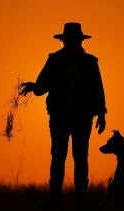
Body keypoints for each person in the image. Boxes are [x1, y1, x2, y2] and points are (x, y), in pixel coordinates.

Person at [21, 22, 107, 206]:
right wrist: (101, 114)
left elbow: (41, 88)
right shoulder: (86, 62)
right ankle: (74, 201)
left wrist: (102, 113)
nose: (72, 43)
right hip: (74, 117)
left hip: (69, 117)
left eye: (72, 41)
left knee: (65, 156)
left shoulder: (59, 60)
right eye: (71, 41)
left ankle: (60, 201)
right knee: (74, 157)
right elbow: (98, 90)